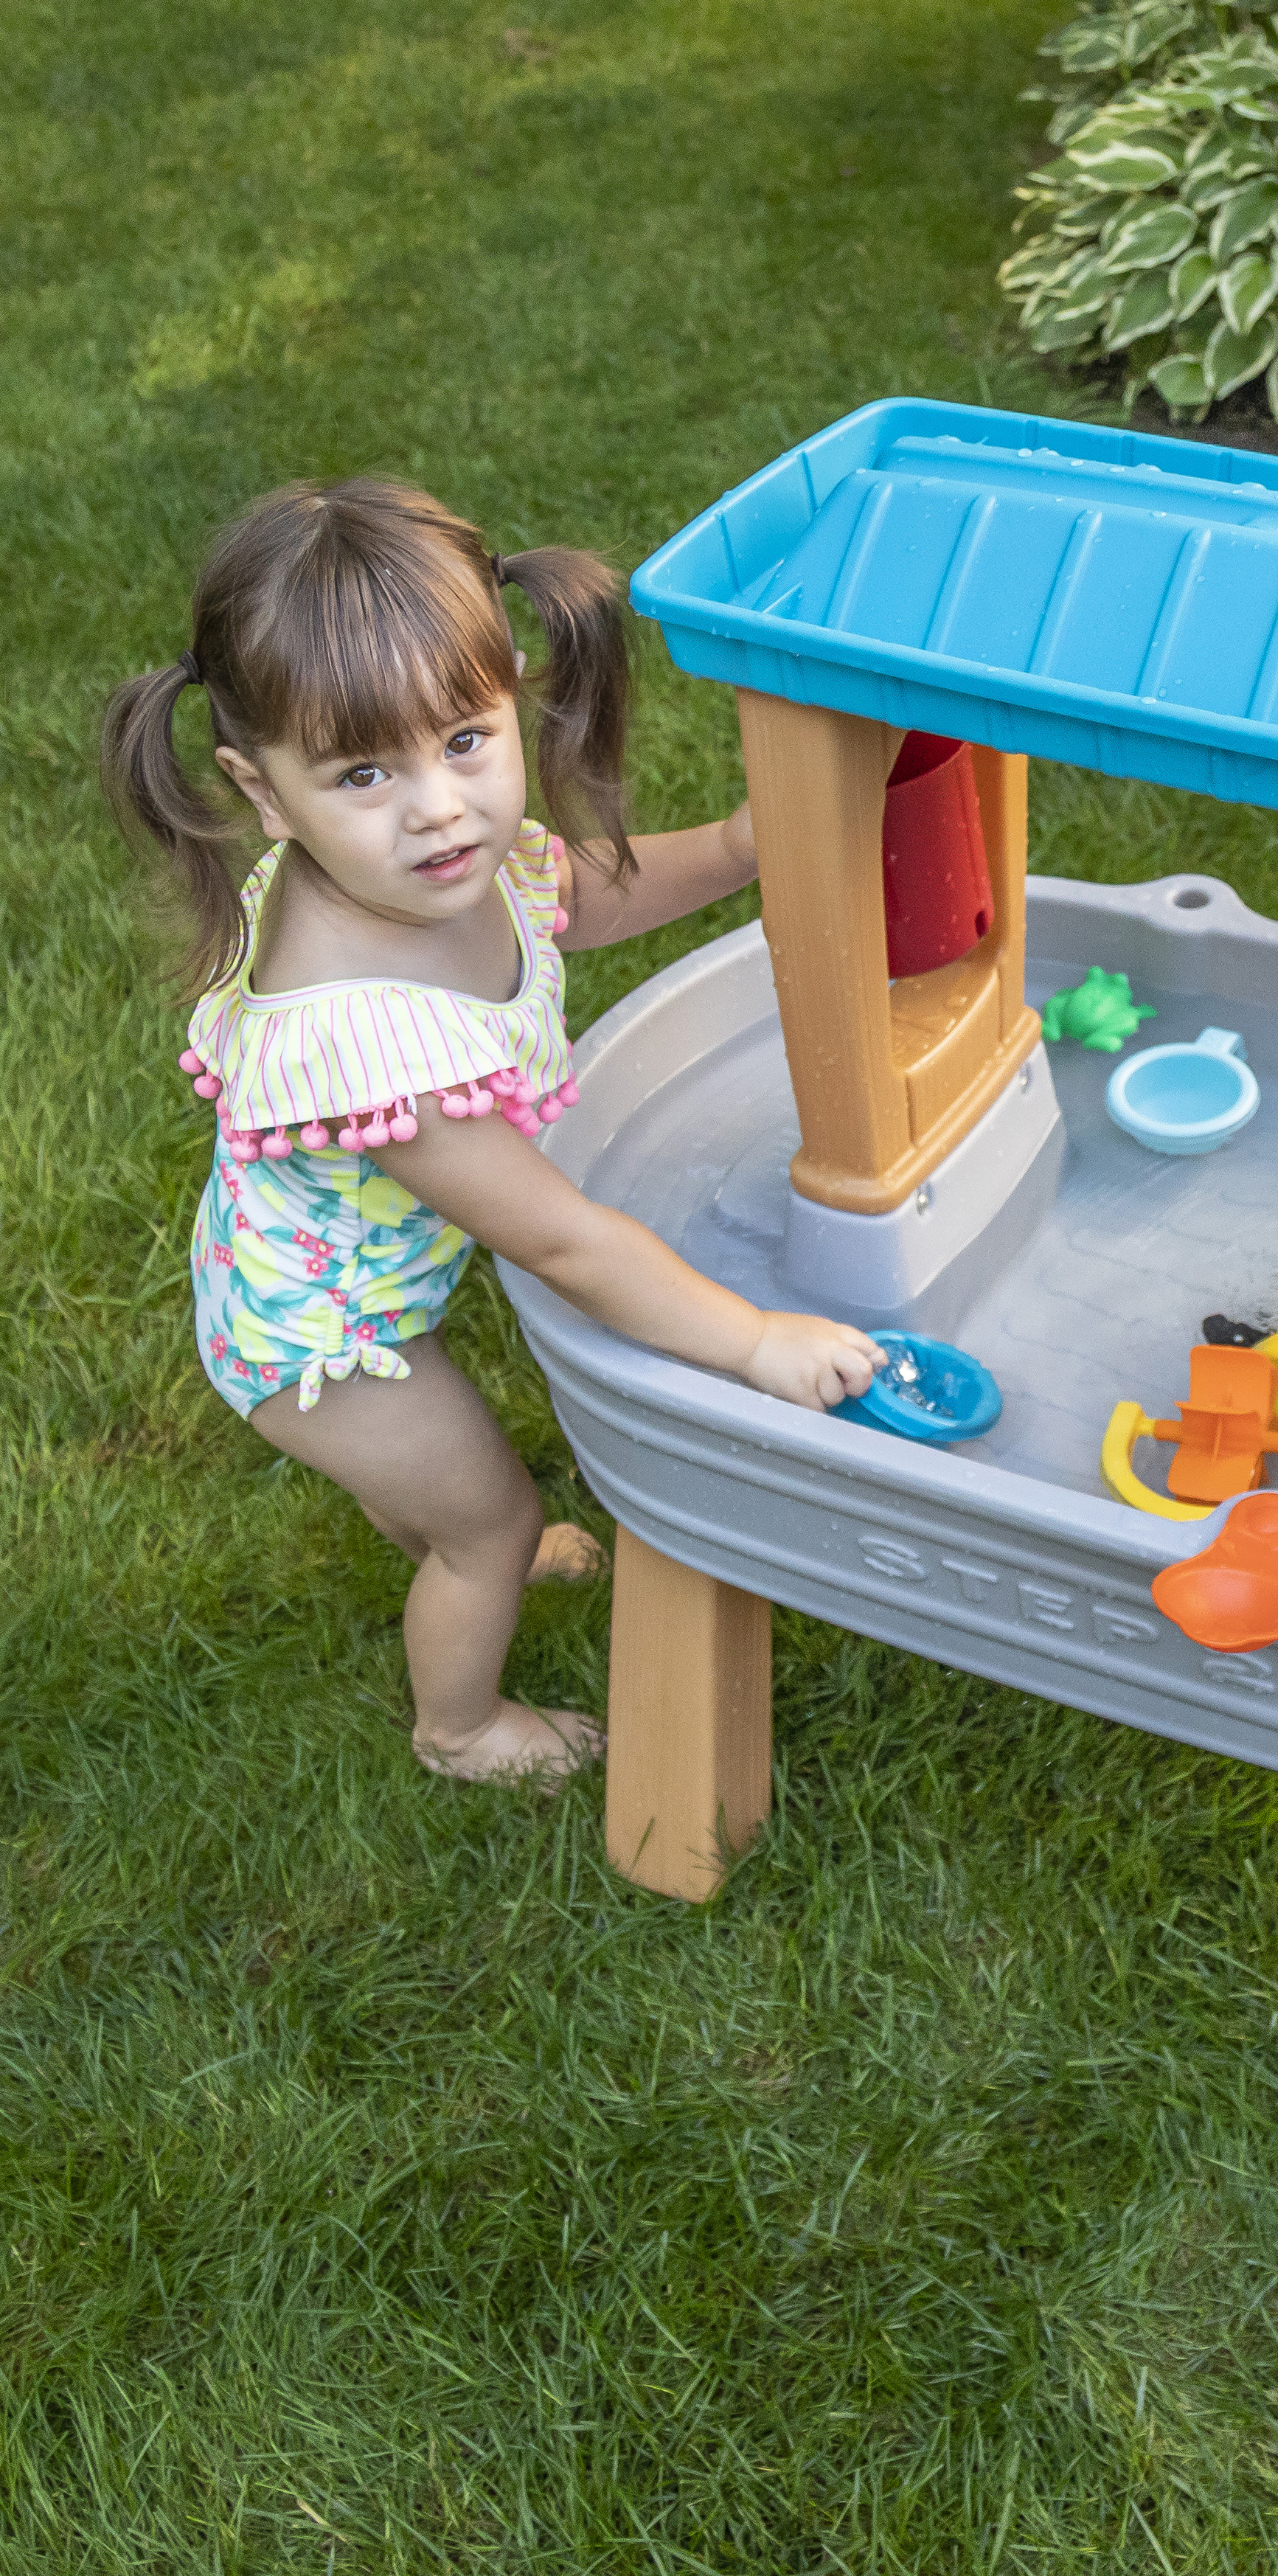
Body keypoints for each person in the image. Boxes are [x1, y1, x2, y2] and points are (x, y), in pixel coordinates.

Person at [103, 479, 883, 1785]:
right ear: (265, 793)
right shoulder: (369, 1050)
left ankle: (441, 1525)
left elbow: (570, 893)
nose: (438, 809)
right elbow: (568, 1243)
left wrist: (749, 845)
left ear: (509, 696)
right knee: (491, 1518)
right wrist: (754, 1342)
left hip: (332, 1269)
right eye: (365, 773)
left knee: (457, 1497)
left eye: (464, 740)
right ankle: (459, 1727)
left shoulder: (433, 864)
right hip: (321, 1337)